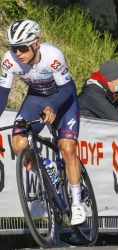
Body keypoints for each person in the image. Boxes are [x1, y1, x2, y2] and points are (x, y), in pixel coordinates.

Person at [0, 20, 85, 225]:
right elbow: (3, 93)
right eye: (13, 47)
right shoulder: (9, 61)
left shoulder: (53, 56)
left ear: (36, 43)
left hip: (62, 98)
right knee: (19, 143)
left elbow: (65, 89)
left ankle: (77, 203)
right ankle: (46, 168)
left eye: (22, 47)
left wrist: (53, 107)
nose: (18, 53)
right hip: (36, 98)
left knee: (67, 149)